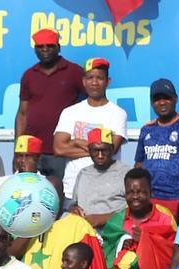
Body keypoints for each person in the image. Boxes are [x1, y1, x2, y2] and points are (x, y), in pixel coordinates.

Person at [15, 28, 85, 181]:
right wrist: (18, 150)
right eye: (40, 46)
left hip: (62, 151)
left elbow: (89, 105)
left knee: (61, 194)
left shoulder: (74, 71)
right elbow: (22, 113)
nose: (45, 50)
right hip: (33, 152)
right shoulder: (29, 75)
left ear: (58, 48)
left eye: (49, 45)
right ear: (35, 49)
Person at [53, 58, 128, 202]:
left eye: (99, 78)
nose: (94, 82)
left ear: (108, 81)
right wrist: (99, 148)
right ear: (83, 81)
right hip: (72, 190)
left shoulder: (118, 113)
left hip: (106, 191)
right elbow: (59, 149)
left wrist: (76, 142)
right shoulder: (70, 112)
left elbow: (112, 150)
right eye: (90, 78)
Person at [100, 168, 177, 269]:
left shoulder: (165, 218)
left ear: (150, 193)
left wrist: (145, 240)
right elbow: (105, 256)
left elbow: (173, 253)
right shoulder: (116, 221)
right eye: (130, 192)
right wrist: (122, 244)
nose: (135, 196)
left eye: (141, 192)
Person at [133, 78, 179, 217]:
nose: (162, 102)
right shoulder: (146, 129)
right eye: (157, 99)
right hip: (150, 200)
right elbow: (139, 163)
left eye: (167, 98)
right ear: (152, 103)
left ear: (175, 99)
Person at [71, 129, 131, 229]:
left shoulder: (126, 173)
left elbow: (135, 209)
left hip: (113, 231)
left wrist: (104, 218)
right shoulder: (83, 173)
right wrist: (73, 210)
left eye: (104, 150)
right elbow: (74, 204)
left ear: (112, 149)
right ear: (89, 150)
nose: (100, 155)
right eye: (95, 150)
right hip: (84, 230)